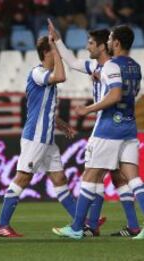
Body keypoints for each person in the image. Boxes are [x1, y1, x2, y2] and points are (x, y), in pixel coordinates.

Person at [49, 21, 141, 237]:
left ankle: (78, 227)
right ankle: (133, 226)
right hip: (128, 126)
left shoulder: (110, 67)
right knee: (125, 177)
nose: (88, 46)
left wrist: (88, 109)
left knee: (91, 174)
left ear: (109, 44)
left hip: (108, 127)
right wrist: (58, 40)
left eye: (92, 43)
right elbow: (71, 62)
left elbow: (116, 93)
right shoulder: (128, 66)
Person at [0, 30, 84, 237]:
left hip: (47, 138)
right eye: (55, 52)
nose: (59, 56)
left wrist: (62, 125)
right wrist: (55, 49)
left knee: (60, 179)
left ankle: (82, 222)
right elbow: (61, 76)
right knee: (23, 178)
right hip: (36, 136)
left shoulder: (47, 79)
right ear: (46, 52)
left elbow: (45, 110)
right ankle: (2, 225)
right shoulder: (37, 73)